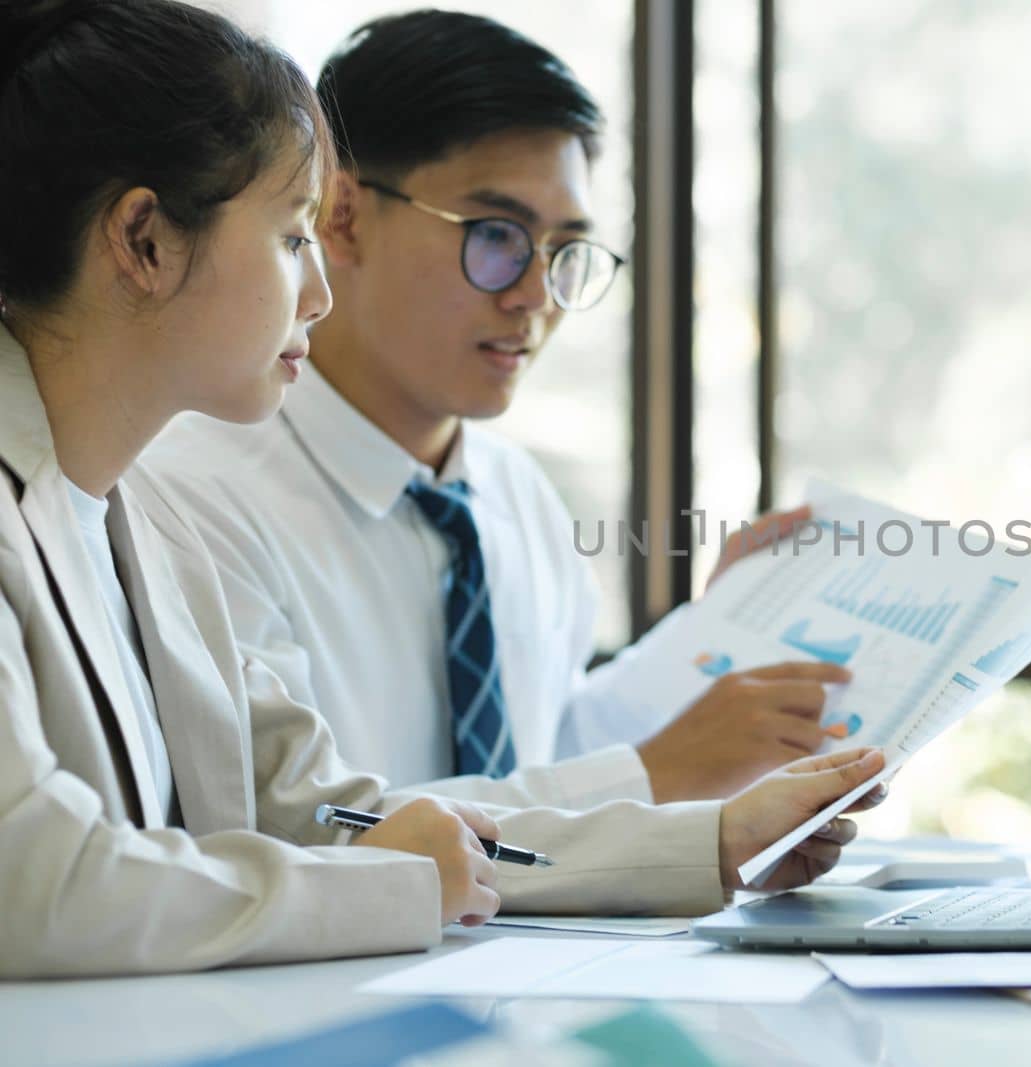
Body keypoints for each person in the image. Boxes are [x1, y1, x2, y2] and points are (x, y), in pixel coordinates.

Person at [0, 0, 883, 978]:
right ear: (146, 240)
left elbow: (332, 812)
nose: (317, 289)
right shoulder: (173, 494)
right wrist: (396, 882)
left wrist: (707, 841)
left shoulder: (143, 524)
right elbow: (33, 879)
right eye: (293, 237)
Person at [143, 8, 842, 808]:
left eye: (563, 251)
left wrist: (712, 639)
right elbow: (306, 829)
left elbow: (550, 752)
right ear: (341, 215)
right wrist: (652, 776)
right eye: (497, 235)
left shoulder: (518, 497)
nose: (536, 297)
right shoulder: (196, 497)